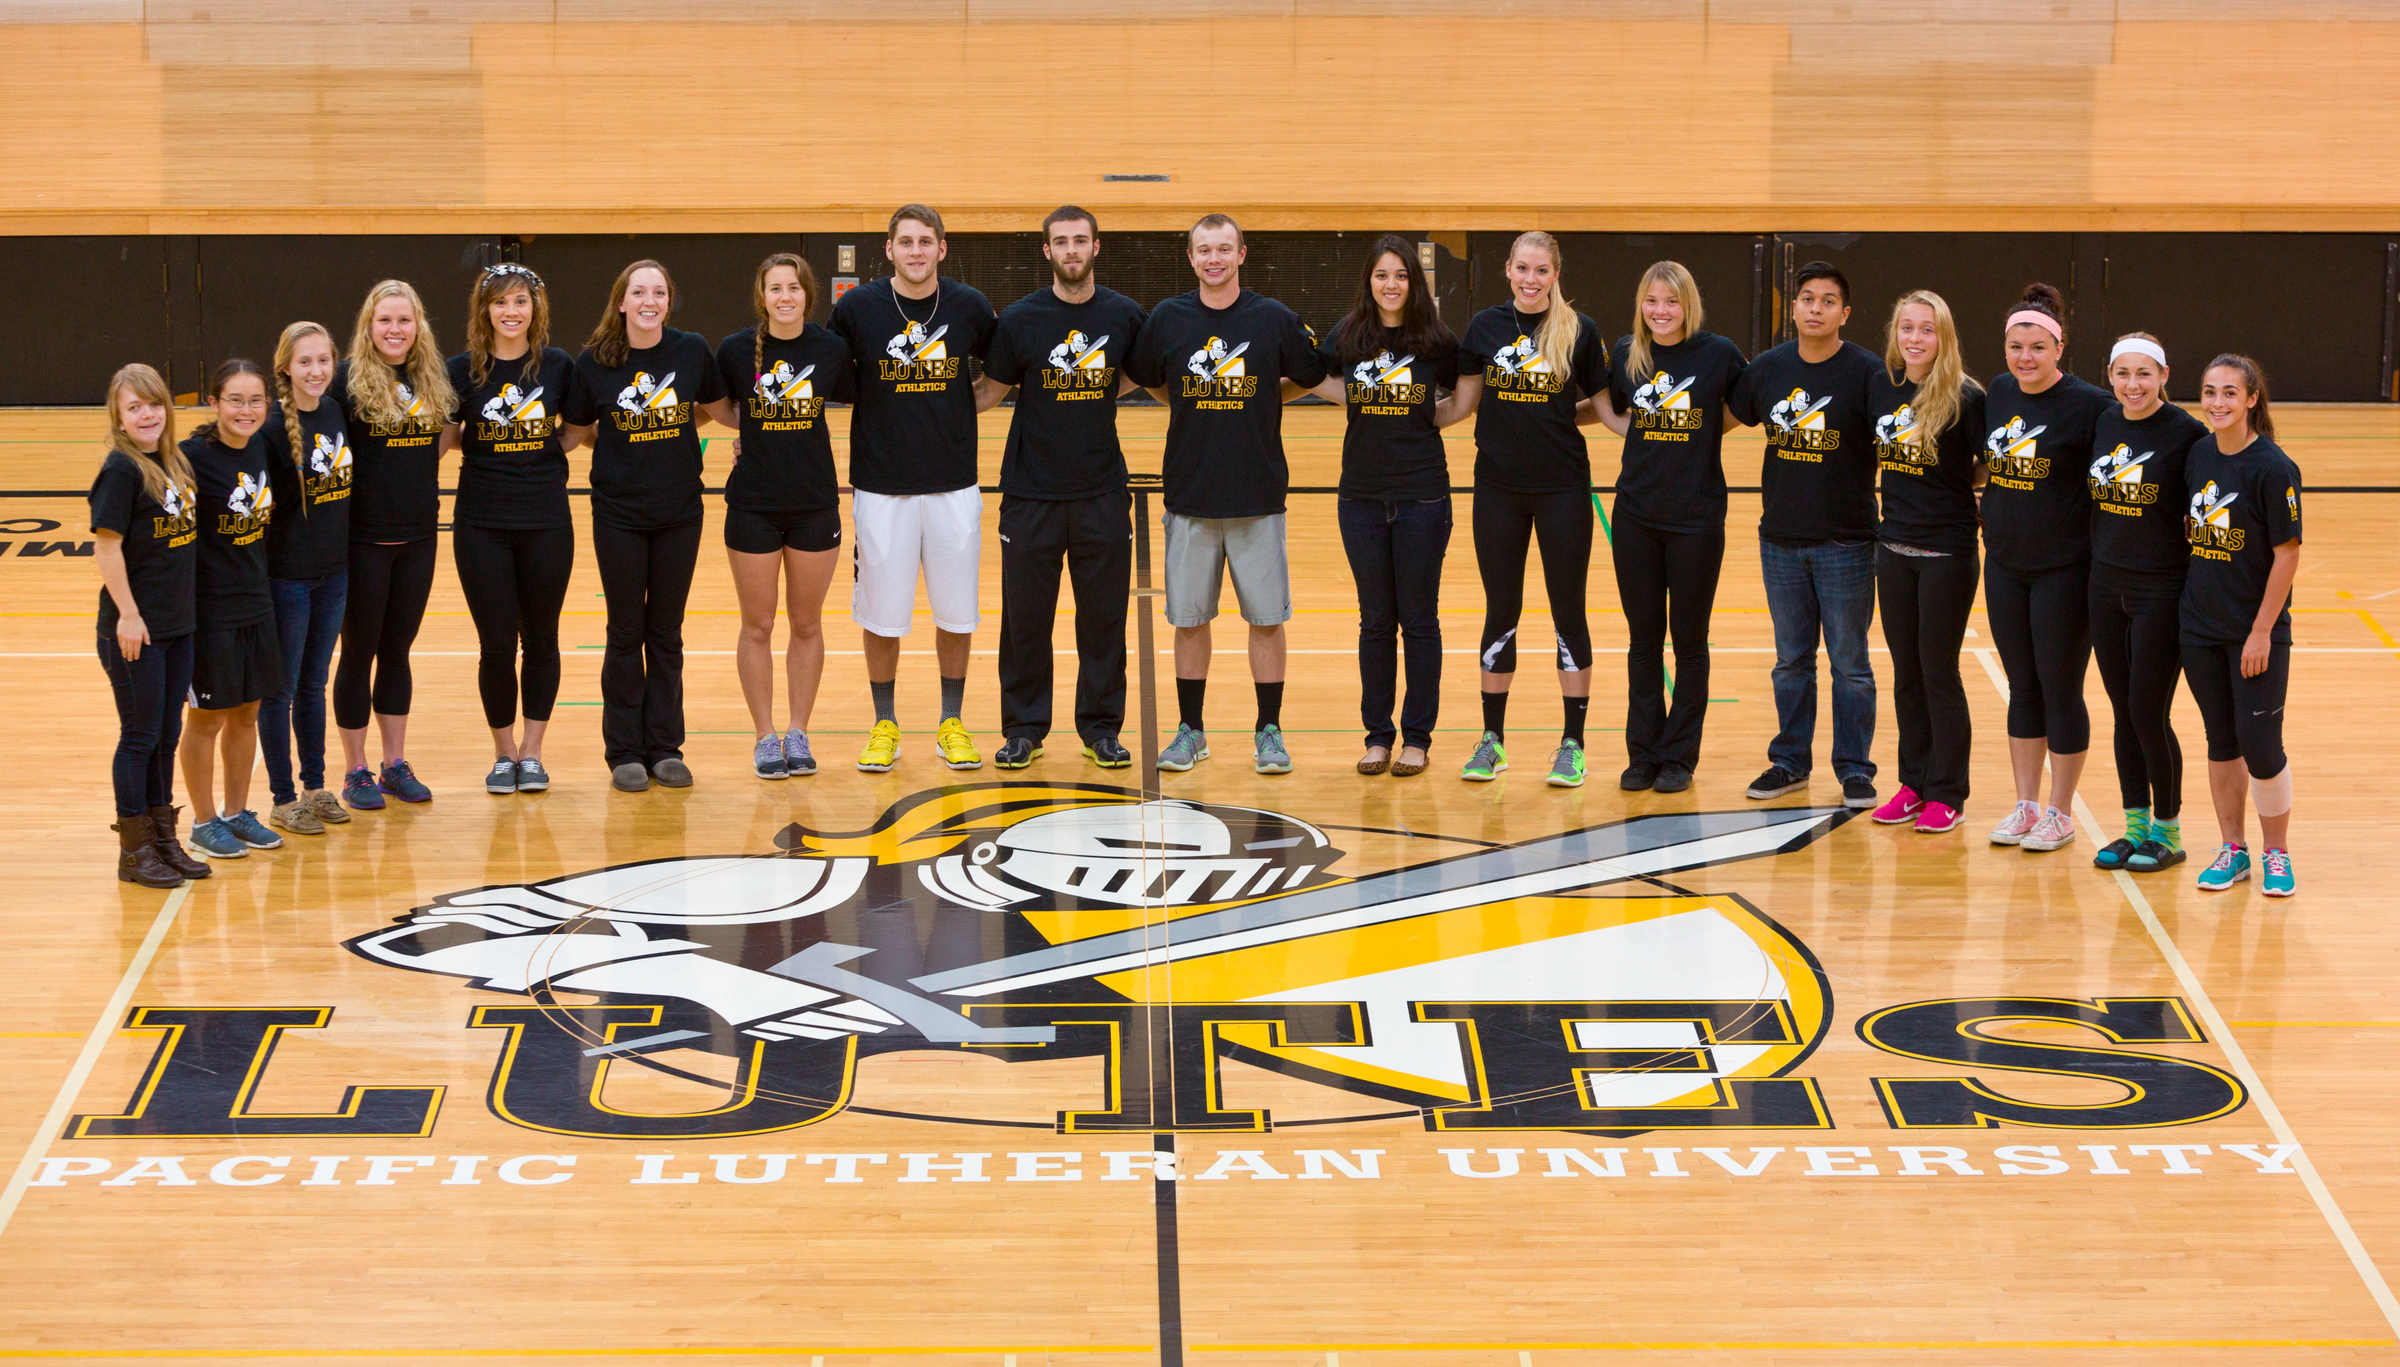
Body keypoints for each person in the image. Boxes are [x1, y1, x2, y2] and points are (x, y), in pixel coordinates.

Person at [1127, 212, 1328, 775]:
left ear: (1242, 254)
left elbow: (1309, 376)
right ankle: (1191, 730)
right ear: (1190, 258)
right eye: (1203, 250)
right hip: (1190, 494)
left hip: (1258, 494)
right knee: (1190, 619)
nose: (1213, 259)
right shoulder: (1168, 318)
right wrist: (1190, 400)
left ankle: (1268, 730)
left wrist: (1266, 397)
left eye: (1224, 249)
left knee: (1265, 618)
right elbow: (1149, 376)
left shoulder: (1274, 319)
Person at [974, 206, 1145, 771]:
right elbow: (989, 393)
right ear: (1046, 251)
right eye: (1060, 242)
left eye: (1080, 240)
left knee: (1103, 620)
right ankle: (1023, 728)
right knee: (1025, 620)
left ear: (1097, 247)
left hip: (1100, 490)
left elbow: (1131, 376)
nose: (1071, 250)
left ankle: (1101, 728)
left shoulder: (1124, 315)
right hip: (1029, 494)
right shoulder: (1020, 320)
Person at [828, 204, 997, 774]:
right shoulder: (857, 309)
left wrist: (955, 409)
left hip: (954, 485)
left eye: (927, 241)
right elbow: (825, 374)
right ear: (890, 248)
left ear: (942, 249)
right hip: (881, 488)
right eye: (907, 242)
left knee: (956, 613)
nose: (917, 251)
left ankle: (951, 721)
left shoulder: (970, 306)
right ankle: (885, 724)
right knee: (883, 614)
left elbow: (997, 376)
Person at [1295, 234, 1465, 778]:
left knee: (1418, 621)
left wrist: (1433, 418)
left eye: (1401, 275)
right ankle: (1377, 737)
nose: (1391, 285)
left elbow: (1466, 389)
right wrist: (1356, 398)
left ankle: (1416, 739)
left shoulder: (1436, 340)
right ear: (1368, 282)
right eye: (1381, 275)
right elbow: (1314, 375)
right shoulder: (1348, 335)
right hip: (1361, 498)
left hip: (1423, 497)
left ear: (1413, 282)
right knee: (1374, 622)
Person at [564, 259, 736, 793]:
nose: (648, 301)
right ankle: (624, 753)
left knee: (666, 632)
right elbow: (577, 430)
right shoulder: (594, 362)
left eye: (658, 292)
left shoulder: (690, 351)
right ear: (621, 301)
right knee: (625, 631)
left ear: (668, 301)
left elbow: (711, 408)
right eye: (638, 292)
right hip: (617, 513)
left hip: (680, 512)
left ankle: (665, 747)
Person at [1449, 231, 1610, 787]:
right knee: (1502, 610)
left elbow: (1608, 411)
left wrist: (1680, 432)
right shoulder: (1485, 328)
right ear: (1509, 270)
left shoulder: (1579, 332)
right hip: (1497, 489)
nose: (1531, 279)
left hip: (1563, 489)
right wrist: (1391, 416)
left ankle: (1573, 743)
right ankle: (1492, 740)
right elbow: (1463, 405)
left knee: (1569, 611)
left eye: (1542, 270)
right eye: (1523, 268)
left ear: (1556, 274)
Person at [1728, 261, 1883, 808]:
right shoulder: (1767, 369)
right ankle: (1789, 762)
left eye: (1827, 300)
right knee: (1791, 660)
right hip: (1781, 540)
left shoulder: (1867, 371)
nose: (1815, 308)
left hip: (1847, 540)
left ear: (1845, 312)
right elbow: (1720, 418)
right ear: (1792, 307)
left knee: (1850, 663)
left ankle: (1855, 769)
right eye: (1807, 299)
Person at [1594, 261, 1746, 793]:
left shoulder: (1718, 354)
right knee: (1642, 642)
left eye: (1672, 302)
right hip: (1636, 516)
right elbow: (1610, 410)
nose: (1661, 311)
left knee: (1689, 642)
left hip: (1697, 520)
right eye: (1652, 301)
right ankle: (1643, 753)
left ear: (1689, 305)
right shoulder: (1625, 354)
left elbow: (1738, 410)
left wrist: (1703, 429)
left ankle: (1679, 756)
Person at [1978, 283, 2112, 851]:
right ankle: (2026, 804)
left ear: (2059, 347)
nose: (2024, 357)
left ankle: (2061, 811)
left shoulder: (2092, 406)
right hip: (2005, 565)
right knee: (2022, 687)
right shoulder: (2001, 392)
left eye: (2036, 346)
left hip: (2064, 569)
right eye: (2015, 346)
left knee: (2060, 688)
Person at [444, 263, 582, 796]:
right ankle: (504, 755)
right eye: (500, 302)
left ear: (535, 308)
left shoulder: (558, 367)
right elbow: (451, 436)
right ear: (485, 310)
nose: (510, 311)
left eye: (520, 301)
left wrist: (537, 458)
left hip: (546, 520)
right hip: (481, 523)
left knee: (542, 639)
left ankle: (533, 752)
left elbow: (574, 431)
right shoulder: (462, 371)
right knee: (496, 645)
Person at [717, 251, 854, 778]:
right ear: (763, 296)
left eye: (794, 288)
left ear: (807, 295)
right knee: (758, 624)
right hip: (753, 506)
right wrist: (746, 435)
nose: (785, 297)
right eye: (775, 289)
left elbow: (860, 398)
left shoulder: (830, 349)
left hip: (815, 504)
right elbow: (719, 407)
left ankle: (798, 732)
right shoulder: (734, 351)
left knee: (805, 623)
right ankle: (765, 737)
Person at [329, 280, 453, 810]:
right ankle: (355, 770)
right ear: (368, 326)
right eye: (385, 321)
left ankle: (393, 765)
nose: (395, 330)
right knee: (358, 653)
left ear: (418, 325)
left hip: (420, 537)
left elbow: (445, 440)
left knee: (397, 652)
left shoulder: (433, 379)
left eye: (404, 321)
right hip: (362, 541)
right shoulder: (344, 383)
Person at [2088, 334, 2209, 871]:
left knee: (2147, 711)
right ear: (2109, 375)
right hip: (2103, 585)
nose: (2132, 385)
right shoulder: (2104, 422)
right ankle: (2134, 825)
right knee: (2121, 711)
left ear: (2164, 375)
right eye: (2122, 374)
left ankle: (2168, 830)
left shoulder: (2186, 434)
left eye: (2143, 374)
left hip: (2161, 589)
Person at [2181, 355, 2301, 897]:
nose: (2217, 403)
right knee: (2221, 741)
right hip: (2200, 627)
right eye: (2209, 392)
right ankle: (2234, 850)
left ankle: (2277, 852)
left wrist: (2260, 632)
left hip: (2255, 633)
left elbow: (2287, 556)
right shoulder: (2199, 454)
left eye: (2230, 393)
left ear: (2252, 399)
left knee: (2260, 744)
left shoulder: (2273, 468)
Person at [1866, 290, 1986, 834]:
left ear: (1945, 337)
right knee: (1906, 676)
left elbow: (1986, 469)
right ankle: (1912, 785)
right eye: (1907, 328)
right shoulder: (1883, 388)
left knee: (1939, 674)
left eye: (1927, 329)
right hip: (1892, 550)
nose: (1915, 339)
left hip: (1946, 553)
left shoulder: (1967, 397)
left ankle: (1947, 792)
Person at [91, 363, 205, 886]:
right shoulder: (121, 469)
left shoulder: (172, 461)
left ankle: (163, 839)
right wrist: (130, 616)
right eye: (134, 406)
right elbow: (106, 547)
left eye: (154, 404)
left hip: (177, 625)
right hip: (137, 629)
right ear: (118, 415)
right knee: (139, 737)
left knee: (165, 733)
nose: (147, 414)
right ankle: (134, 854)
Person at [177, 360, 285, 860]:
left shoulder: (261, 445)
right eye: (235, 400)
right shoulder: (191, 458)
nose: (246, 410)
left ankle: (238, 812)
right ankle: (203, 821)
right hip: (209, 608)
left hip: (256, 601)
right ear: (215, 403)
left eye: (255, 400)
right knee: (207, 719)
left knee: (247, 715)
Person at [258, 321, 352, 836]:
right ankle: (282, 797)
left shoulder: (336, 411)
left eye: (323, 361)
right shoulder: (273, 429)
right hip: (288, 581)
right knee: (282, 690)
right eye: (305, 362)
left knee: (314, 685)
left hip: (333, 576)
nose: (316, 371)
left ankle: (315, 787)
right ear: (286, 369)